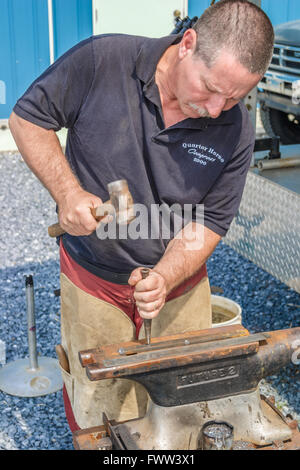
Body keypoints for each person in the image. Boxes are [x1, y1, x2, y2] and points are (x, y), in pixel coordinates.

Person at [9, 0, 274, 432]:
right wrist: (68, 192)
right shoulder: (102, 62)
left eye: (234, 97)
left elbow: (209, 222)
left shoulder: (236, 127)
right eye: (209, 88)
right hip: (94, 281)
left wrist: (165, 277)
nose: (214, 109)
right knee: (100, 414)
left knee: (188, 416)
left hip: (181, 291)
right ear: (188, 44)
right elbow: (27, 120)